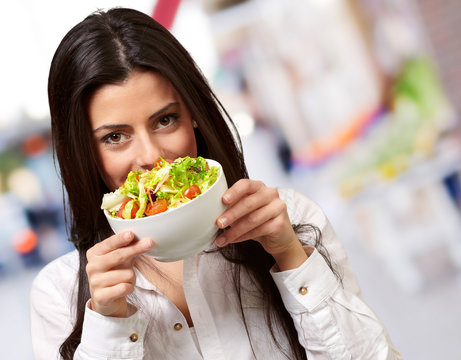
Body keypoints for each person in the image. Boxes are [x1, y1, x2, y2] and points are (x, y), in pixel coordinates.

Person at [30, 7, 402, 360]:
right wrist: (108, 323)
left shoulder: (289, 219)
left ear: (193, 115)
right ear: (84, 151)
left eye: (165, 120)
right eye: (115, 137)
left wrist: (289, 254)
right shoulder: (61, 293)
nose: (150, 155)